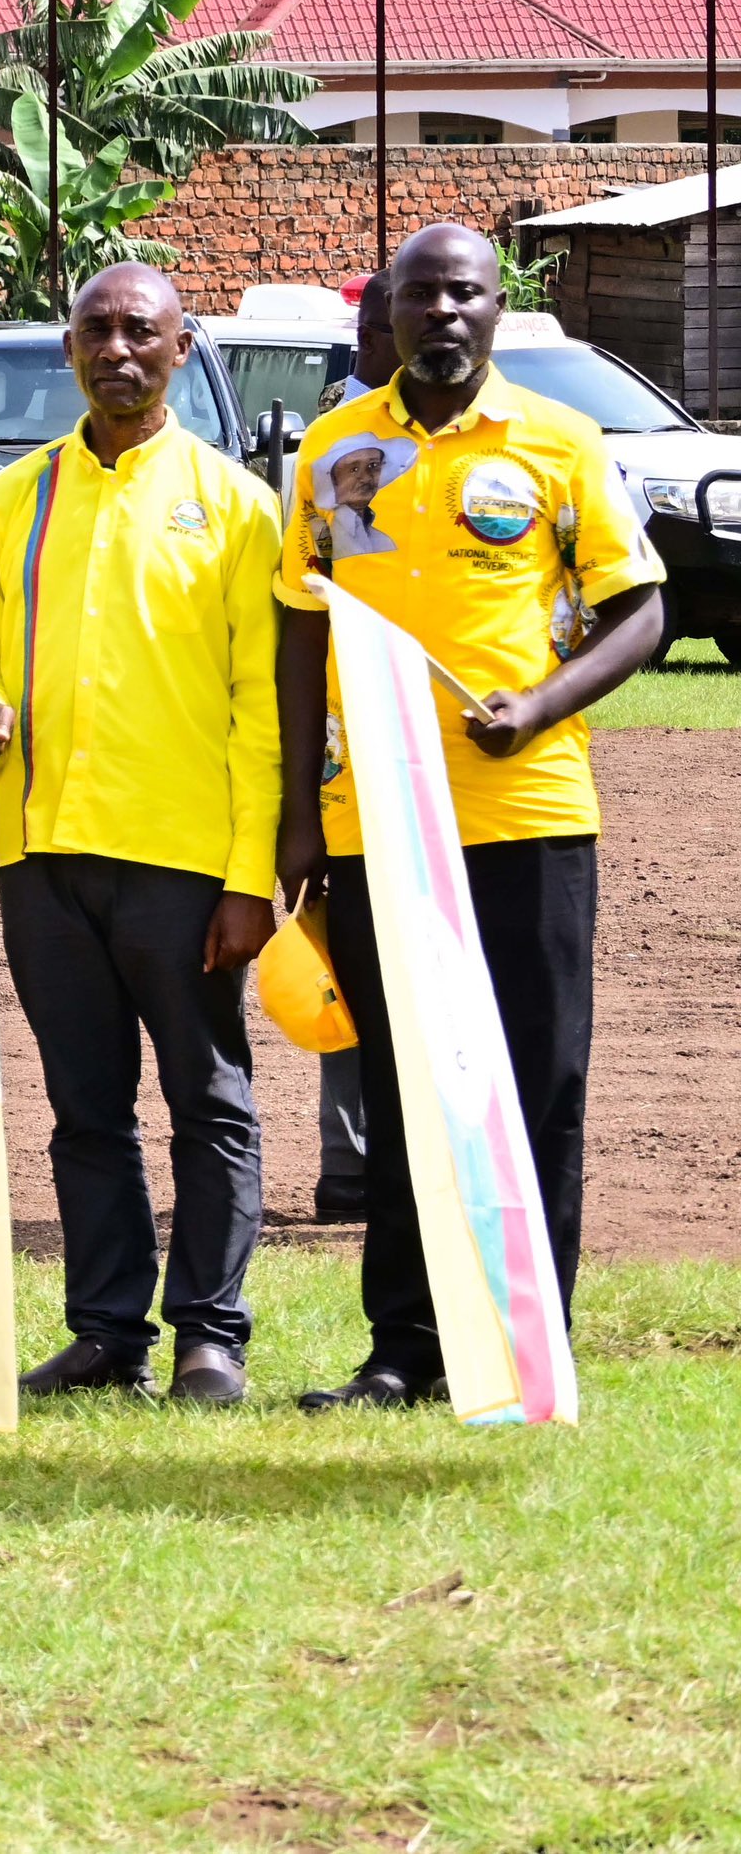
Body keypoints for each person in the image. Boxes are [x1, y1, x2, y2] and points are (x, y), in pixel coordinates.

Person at [275, 223, 662, 1411]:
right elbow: (299, 630)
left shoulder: (560, 442)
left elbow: (637, 609)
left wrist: (540, 706)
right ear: (384, 314)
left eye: (464, 295)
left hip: (525, 815)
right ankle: (399, 1348)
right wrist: (298, 815)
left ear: (498, 311)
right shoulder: (335, 449)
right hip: (372, 819)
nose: (441, 313)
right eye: (418, 296)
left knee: (535, 1081)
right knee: (399, 1089)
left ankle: (525, 1335)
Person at [0, 263, 281, 1407]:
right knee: (85, 1111)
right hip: (43, 856)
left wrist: (250, 878)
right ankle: (104, 1334)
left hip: (183, 862)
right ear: (68, 350)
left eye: (140, 332)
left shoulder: (235, 504)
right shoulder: (16, 498)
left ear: (183, 350)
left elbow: (260, 709)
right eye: (95, 331)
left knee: (208, 1100)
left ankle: (208, 1334)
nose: (117, 351)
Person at [307, 273, 399, 1224]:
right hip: (345, 757)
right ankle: (350, 1165)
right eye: (376, 327)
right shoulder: (337, 443)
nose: (393, 342)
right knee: (347, 965)